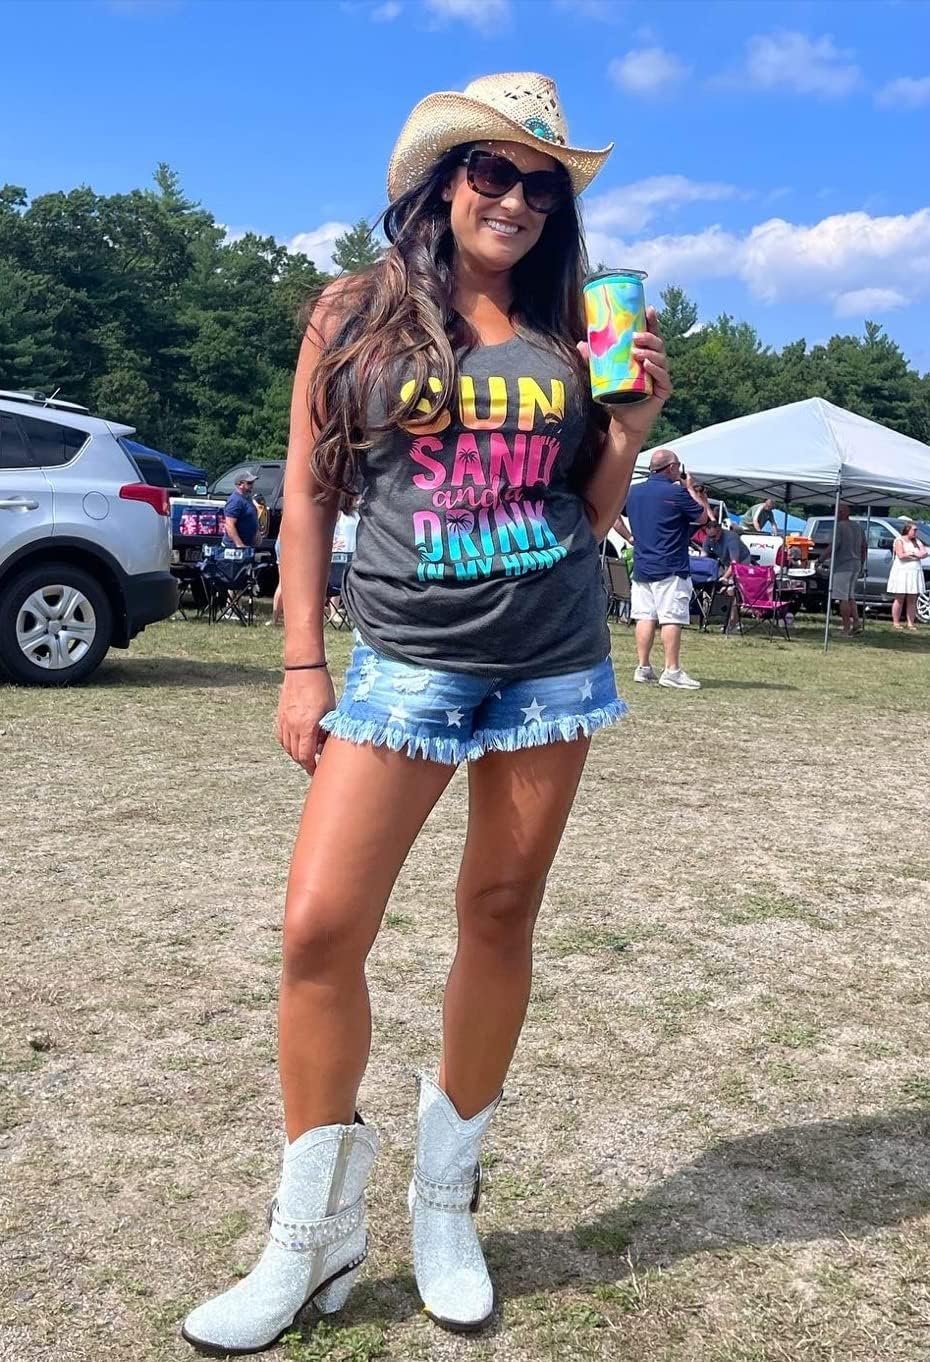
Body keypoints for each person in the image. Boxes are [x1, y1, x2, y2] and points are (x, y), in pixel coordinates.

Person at [182, 72, 671, 1355]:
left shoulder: (568, 326)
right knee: (318, 930)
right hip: (404, 660)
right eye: (493, 171)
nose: (516, 199)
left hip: (550, 659)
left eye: (541, 184)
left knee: (499, 915)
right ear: (445, 182)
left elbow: (587, 518)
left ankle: (444, 1209)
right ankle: (310, 1238)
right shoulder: (352, 311)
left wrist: (629, 429)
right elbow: (307, 496)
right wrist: (301, 662)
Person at [624, 449, 712, 689]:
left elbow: (613, 515)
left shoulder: (634, 491)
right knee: (671, 617)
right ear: (671, 467)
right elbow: (703, 518)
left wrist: (629, 537)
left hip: (643, 564)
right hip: (671, 565)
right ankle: (672, 670)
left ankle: (643, 667)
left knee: (644, 616)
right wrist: (692, 489)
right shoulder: (677, 493)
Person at [820, 504, 866, 636]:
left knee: (842, 598)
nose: (836, 515)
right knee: (850, 596)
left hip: (842, 566)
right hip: (856, 564)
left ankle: (846, 628)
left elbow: (834, 546)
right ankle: (856, 623)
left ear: (842, 512)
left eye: (837, 512)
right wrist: (862, 563)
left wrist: (820, 559)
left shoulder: (839, 526)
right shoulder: (858, 527)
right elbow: (864, 547)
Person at [702, 518, 750, 632]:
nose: (711, 539)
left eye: (714, 536)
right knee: (715, 586)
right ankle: (708, 617)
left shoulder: (731, 538)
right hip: (725, 562)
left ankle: (733, 622)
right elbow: (704, 556)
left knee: (731, 589)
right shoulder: (709, 537)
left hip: (741, 562)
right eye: (709, 536)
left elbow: (734, 563)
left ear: (719, 530)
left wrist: (724, 578)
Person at [888, 520, 928, 630]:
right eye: (914, 530)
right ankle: (896, 622)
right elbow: (901, 555)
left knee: (912, 598)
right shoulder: (899, 540)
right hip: (902, 572)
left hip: (914, 571)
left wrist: (915, 555)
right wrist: (914, 555)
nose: (915, 532)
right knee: (900, 598)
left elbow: (924, 553)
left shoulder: (917, 541)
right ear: (907, 530)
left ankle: (911, 623)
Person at [221, 470, 263, 551]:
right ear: (240, 484)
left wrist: (256, 533)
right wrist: (239, 544)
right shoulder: (235, 501)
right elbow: (229, 525)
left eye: (252, 483)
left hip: (247, 545)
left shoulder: (247, 498)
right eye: (249, 483)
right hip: (233, 548)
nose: (252, 485)